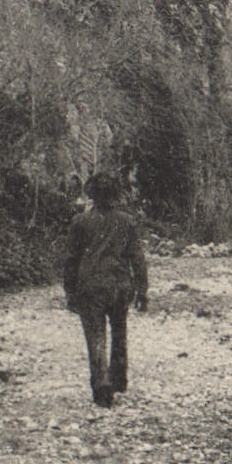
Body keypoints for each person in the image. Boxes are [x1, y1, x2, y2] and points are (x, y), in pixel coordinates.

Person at [63, 171, 148, 408]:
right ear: (116, 194)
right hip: (120, 284)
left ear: (91, 193)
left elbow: (71, 259)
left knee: (95, 335)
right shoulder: (128, 221)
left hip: (90, 286)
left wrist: (69, 291)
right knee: (119, 331)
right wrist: (142, 290)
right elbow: (137, 258)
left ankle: (101, 384)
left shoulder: (80, 222)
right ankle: (119, 378)